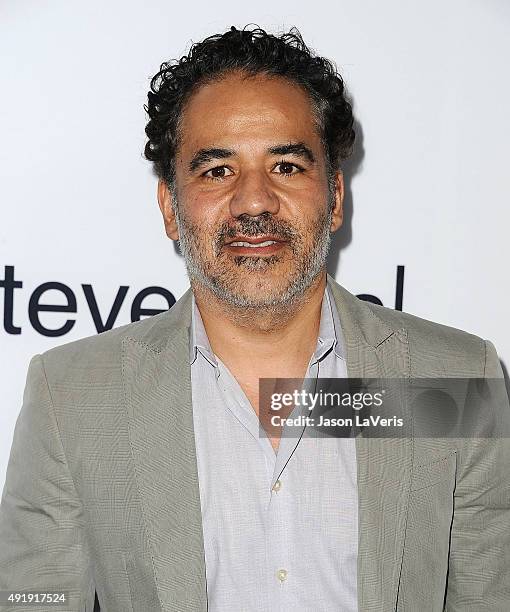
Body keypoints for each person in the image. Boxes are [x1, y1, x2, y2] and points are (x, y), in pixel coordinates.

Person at [0, 25, 508, 612]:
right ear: (169, 206)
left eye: (286, 166)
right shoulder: (73, 395)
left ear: (336, 197)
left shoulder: (454, 377)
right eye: (217, 171)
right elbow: (30, 600)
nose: (254, 201)